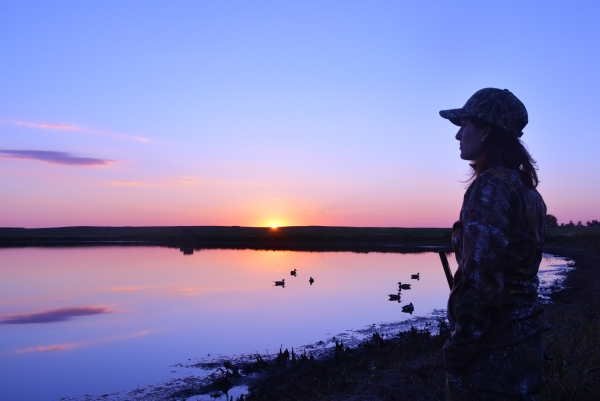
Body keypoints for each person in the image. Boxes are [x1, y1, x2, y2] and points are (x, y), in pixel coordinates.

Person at [439, 88, 550, 400]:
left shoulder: (490, 187)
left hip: (493, 355)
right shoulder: (527, 190)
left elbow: (481, 277)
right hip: (525, 344)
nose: (458, 135)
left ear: (486, 129)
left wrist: (460, 346)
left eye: (464, 125)